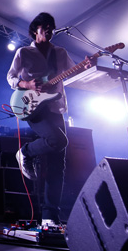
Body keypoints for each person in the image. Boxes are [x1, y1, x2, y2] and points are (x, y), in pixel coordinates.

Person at [7, 12, 91, 226]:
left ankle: (49, 216)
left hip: (56, 106)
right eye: (45, 27)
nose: (49, 31)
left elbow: (72, 74)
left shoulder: (60, 52)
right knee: (58, 140)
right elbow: (11, 77)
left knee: (58, 164)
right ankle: (25, 152)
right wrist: (27, 84)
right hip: (32, 106)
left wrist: (85, 67)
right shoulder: (24, 52)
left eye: (51, 27)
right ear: (35, 29)